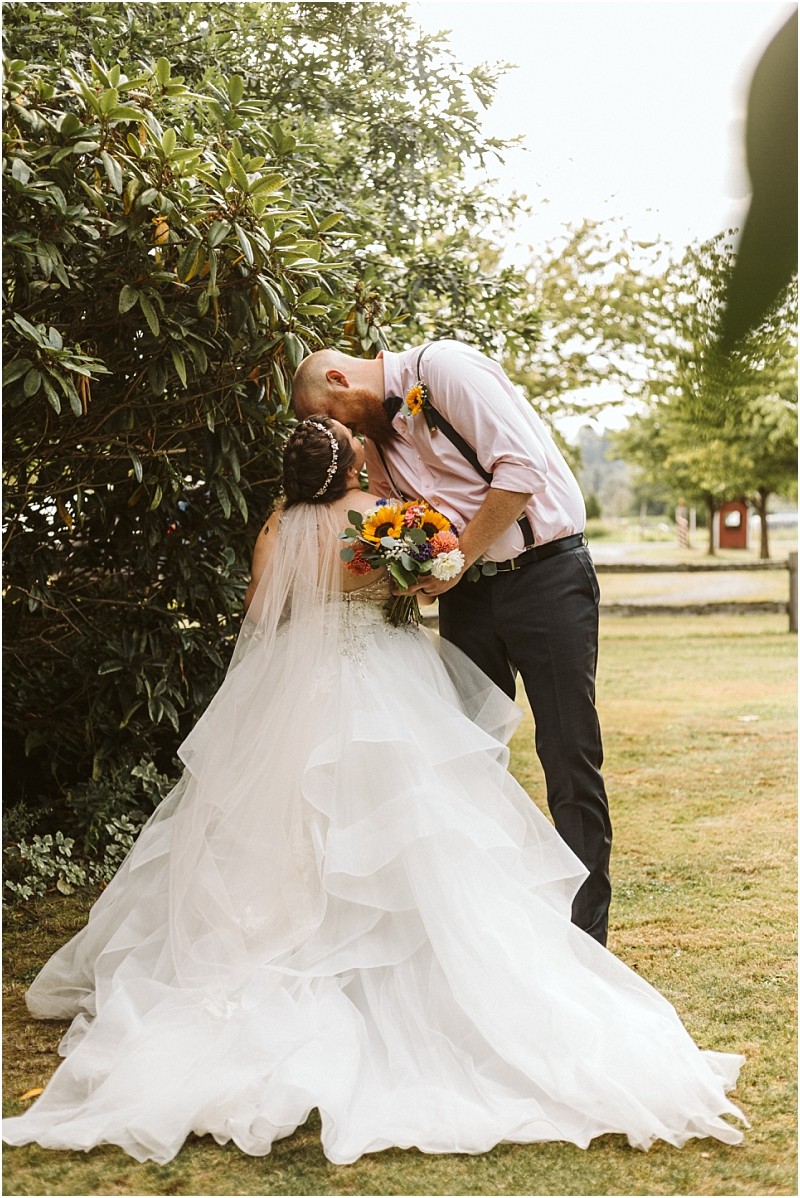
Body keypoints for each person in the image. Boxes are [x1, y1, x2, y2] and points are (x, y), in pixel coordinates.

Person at [2, 417, 746, 1165]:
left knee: (289, 823)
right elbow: (422, 578)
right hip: (390, 679)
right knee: (417, 817)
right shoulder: (383, 516)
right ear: (350, 465)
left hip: (304, 689)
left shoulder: (278, 526)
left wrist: (308, 603)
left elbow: (260, 614)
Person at [291, 341, 613, 944]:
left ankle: (585, 938)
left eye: (331, 416)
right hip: (468, 596)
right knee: (465, 755)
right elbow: (407, 518)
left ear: (338, 378)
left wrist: (457, 557)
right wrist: (412, 568)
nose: (342, 433)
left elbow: (522, 470)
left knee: (569, 753)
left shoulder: (445, 370)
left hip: (545, 576)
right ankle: (489, 931)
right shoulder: (378, 441)